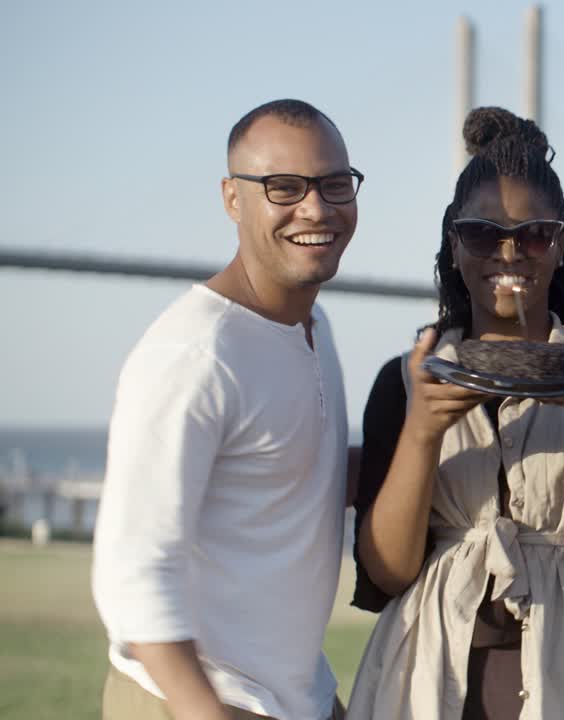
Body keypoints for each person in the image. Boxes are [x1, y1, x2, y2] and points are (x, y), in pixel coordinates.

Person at [345, 106, 564, 720]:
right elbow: (389, 572)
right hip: (425, 672)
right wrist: (423, 432)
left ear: (561, 245)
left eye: (534, 234)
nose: (509, 252)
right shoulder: (407, 380)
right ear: (454, 245)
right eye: (482, 234)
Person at [92, 98, 361, 720]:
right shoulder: (195, 353)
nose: (316, 208)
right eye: (284, 187)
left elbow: (289, 477)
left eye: (334, 184)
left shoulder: (311, 325)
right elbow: (132, 570)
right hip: (201, 698)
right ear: (233, 199)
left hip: (297, 696)